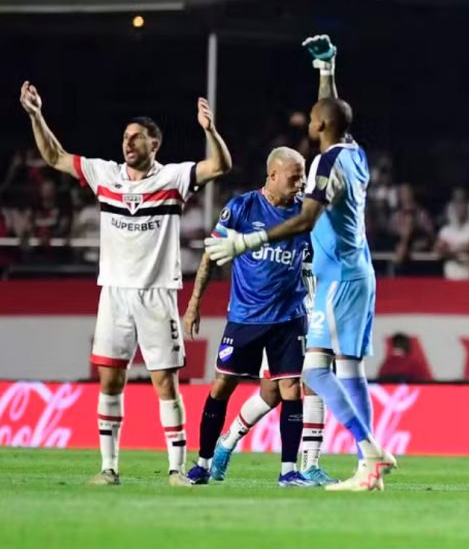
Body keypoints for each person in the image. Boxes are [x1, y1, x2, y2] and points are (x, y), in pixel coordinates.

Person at [205, 34, 395, 491]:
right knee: (344, 370)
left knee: (314, 373)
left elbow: (306, 220)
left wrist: (244, 243)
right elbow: (334, 115)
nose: (309, 117)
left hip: (335, 280)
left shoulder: (325, 167)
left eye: (313, 117)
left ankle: (368, 452)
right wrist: (326, 70)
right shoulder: (354, 153)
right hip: (356, 273)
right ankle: (367, 466)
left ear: (320, 126)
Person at [19, 82, 232, 486]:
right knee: (110, 378)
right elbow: (55, 156)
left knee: (164, 382)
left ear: (155, 142)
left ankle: (175, 469)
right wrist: (36, 115)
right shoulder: (106, 175)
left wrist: (210, 131)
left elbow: (219, 166)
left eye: (136, 137)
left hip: (157, 294)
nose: (128, 143)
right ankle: (109, 468)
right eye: (124, 137)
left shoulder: (172, 178)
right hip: (114, 293)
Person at [183, 147, 318, 487]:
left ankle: (289, 471)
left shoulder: (304, 214)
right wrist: (194, 302)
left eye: (302, 176)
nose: (300, 183)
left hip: (289, 317)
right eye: (294, 177)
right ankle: (203, 461)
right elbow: (211, 255)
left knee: (290, 389)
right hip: (245, 317)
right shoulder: (242, 208)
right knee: (222, 385)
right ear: (272, 175)